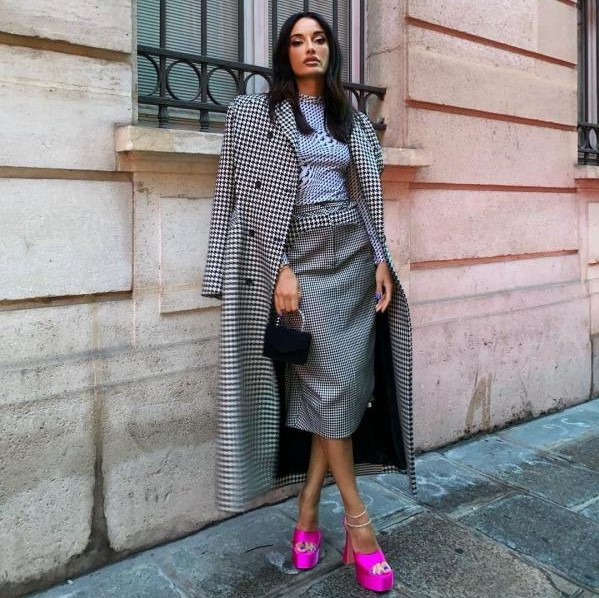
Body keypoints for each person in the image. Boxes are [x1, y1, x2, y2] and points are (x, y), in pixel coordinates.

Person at [202, 10, 416, 593]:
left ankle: (306, 509)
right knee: (325, 389)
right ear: (285, 54)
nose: (309, 48)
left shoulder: (353, 119)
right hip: (300, 259)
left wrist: (380, 257)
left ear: (330, 50)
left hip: (354, 260)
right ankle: (360, 526)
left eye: (318, 39)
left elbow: (365, 194)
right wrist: (280, 267)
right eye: (297, 41)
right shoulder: (254, 114)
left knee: (340, 391)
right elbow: (242, 197)